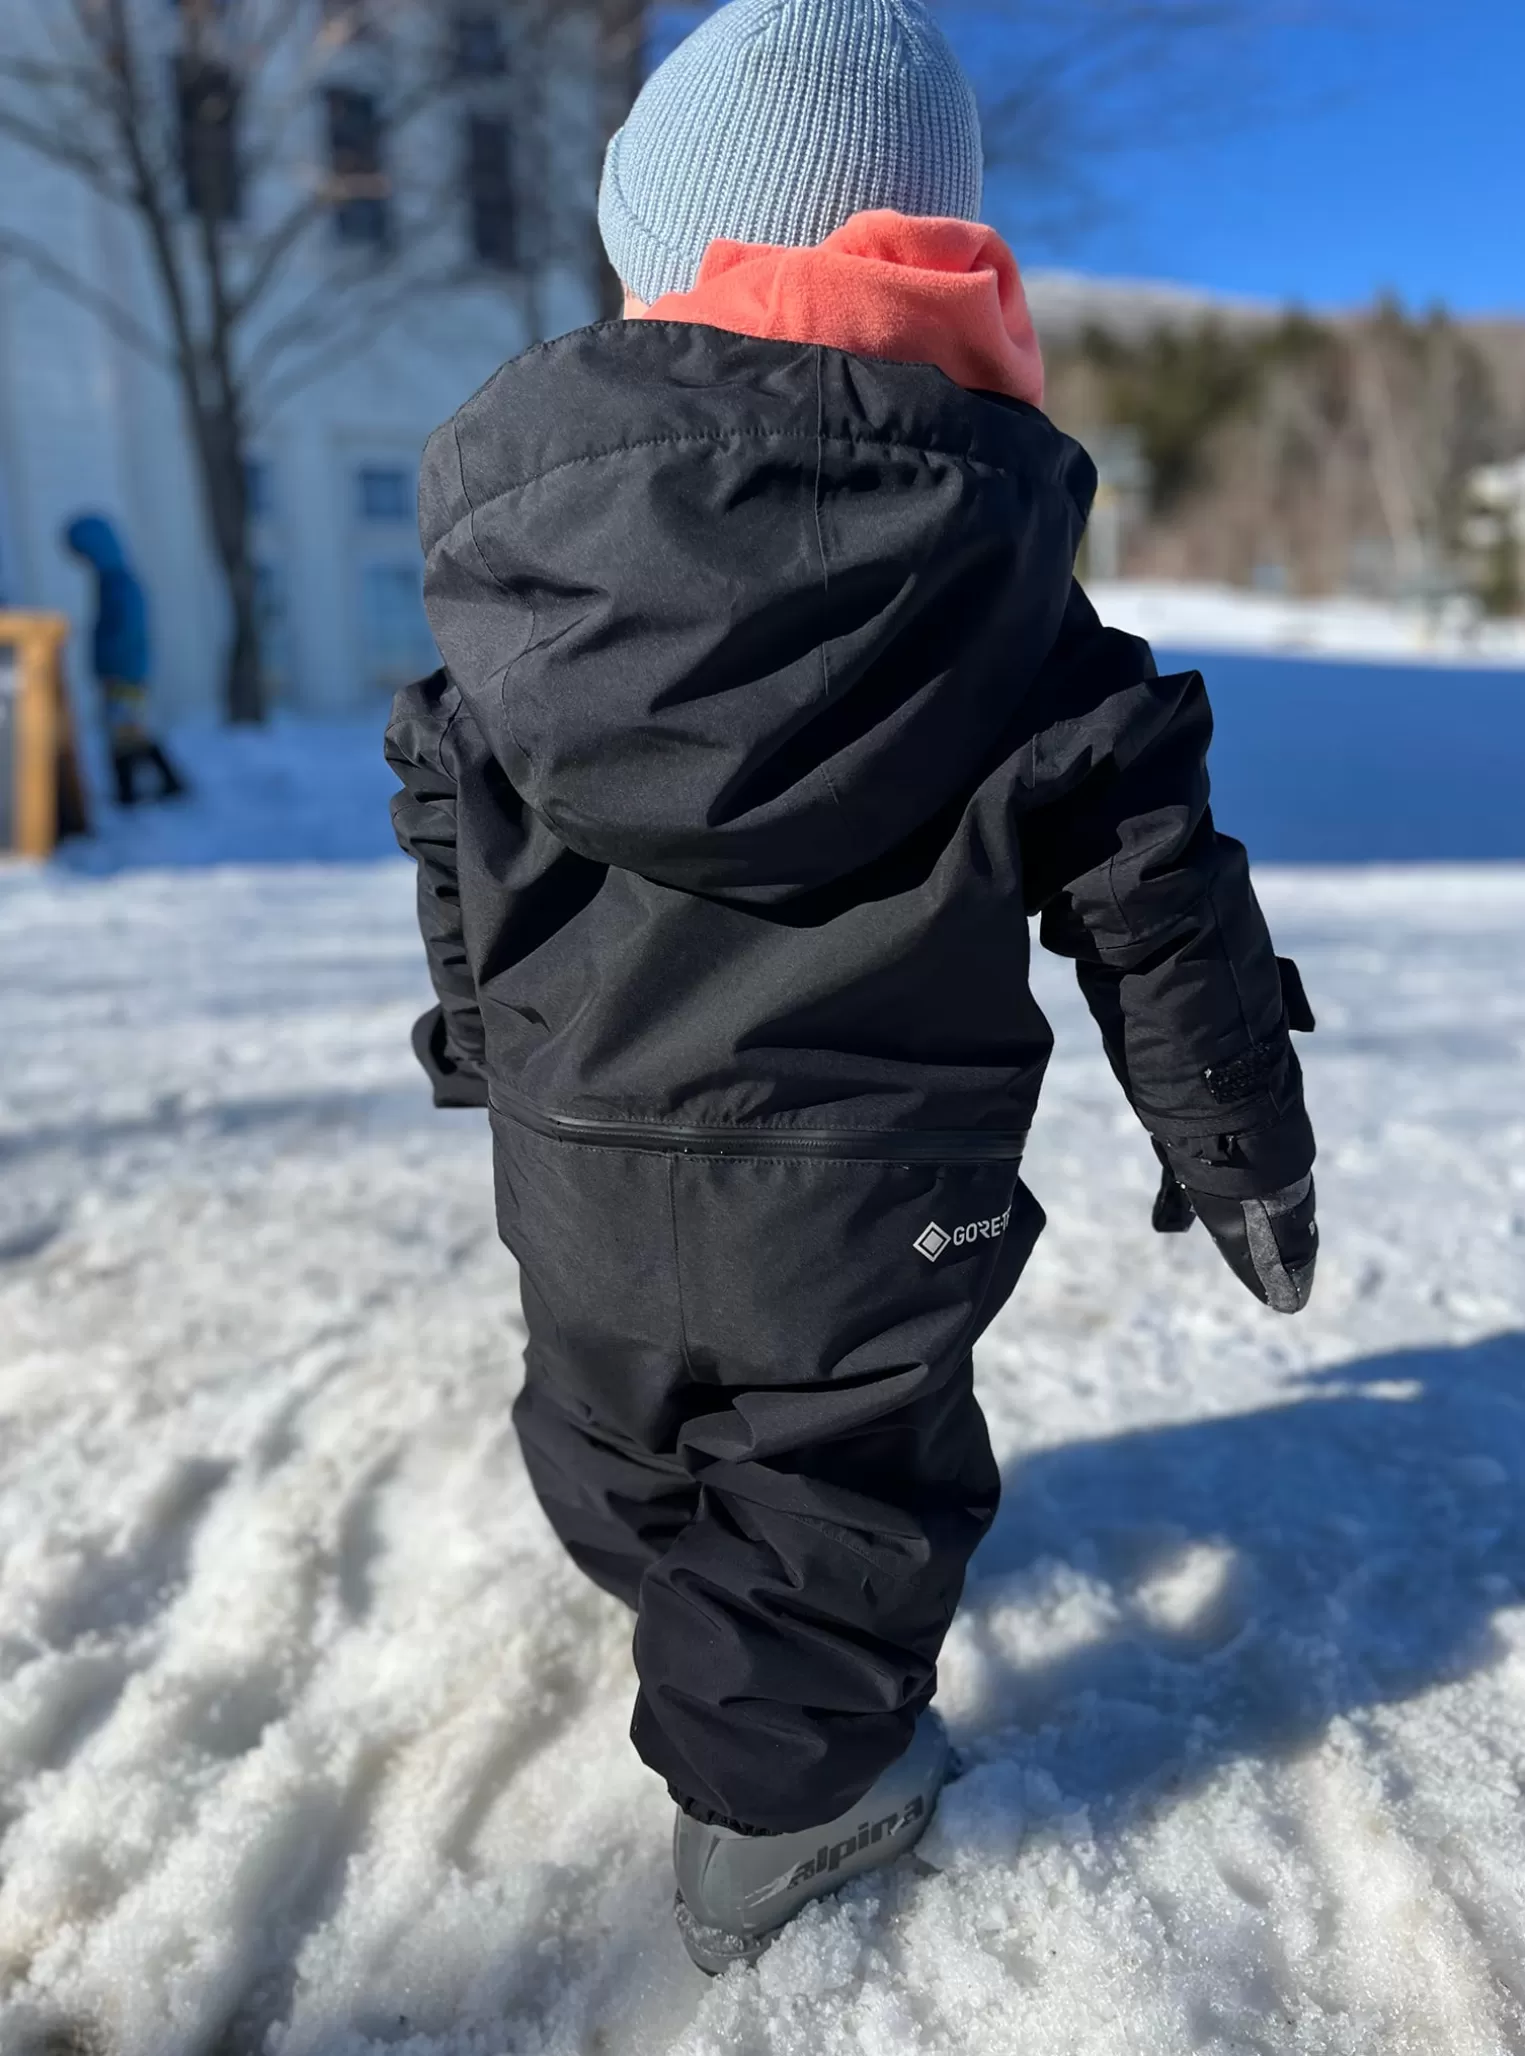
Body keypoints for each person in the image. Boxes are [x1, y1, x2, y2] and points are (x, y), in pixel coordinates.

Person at [386, 0, 1318, 1975]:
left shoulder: (526, 569)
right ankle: (790, 1803)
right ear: (941, 256)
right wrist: (1239, 1137)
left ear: (658, 258)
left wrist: (483, 1026)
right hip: (868, 1184)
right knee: (841, 1483)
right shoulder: (1006, 594)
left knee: (609, 1410)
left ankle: (681, 1588)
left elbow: (433, 782)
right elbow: (1153, 886)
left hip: (579, 1145)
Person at [64, 514, 186, 806]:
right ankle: (148, 787)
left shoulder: (119, 584)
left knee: (127, 732)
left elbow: (125, 630)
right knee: (127, 730)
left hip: (123, 672)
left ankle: (141, 789)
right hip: (121, 670)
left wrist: (114, 668)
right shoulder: (112, 580)